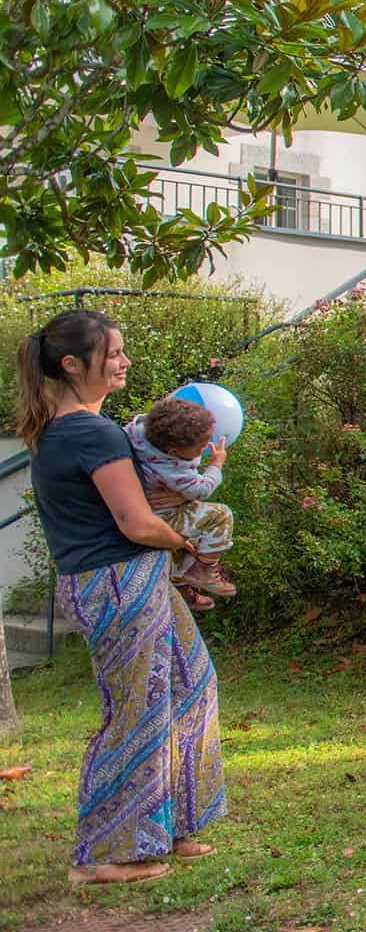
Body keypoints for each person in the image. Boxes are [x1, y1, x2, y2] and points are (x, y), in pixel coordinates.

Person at [17, 310, 225, 886]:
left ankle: (169, 826)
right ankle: (104, 854)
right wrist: (188, 545)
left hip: (132, 576)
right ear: (71, 365)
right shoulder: (92, 433)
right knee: (136, 708)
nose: (124, 362)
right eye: (112, 355)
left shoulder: (78, 430)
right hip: (114, 580)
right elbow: (135, 522)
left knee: (189, 684)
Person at [126, 396, 235, 610]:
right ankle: (203, 569)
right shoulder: (173, 467)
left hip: (147, 509)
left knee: (189, 544)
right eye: (201, 446)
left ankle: (181, 587)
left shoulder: (139, 431)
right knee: (220, 516)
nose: (205, 448)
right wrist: (216, 464)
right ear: (173, 451)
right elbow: (202, 489)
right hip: (159, 516)